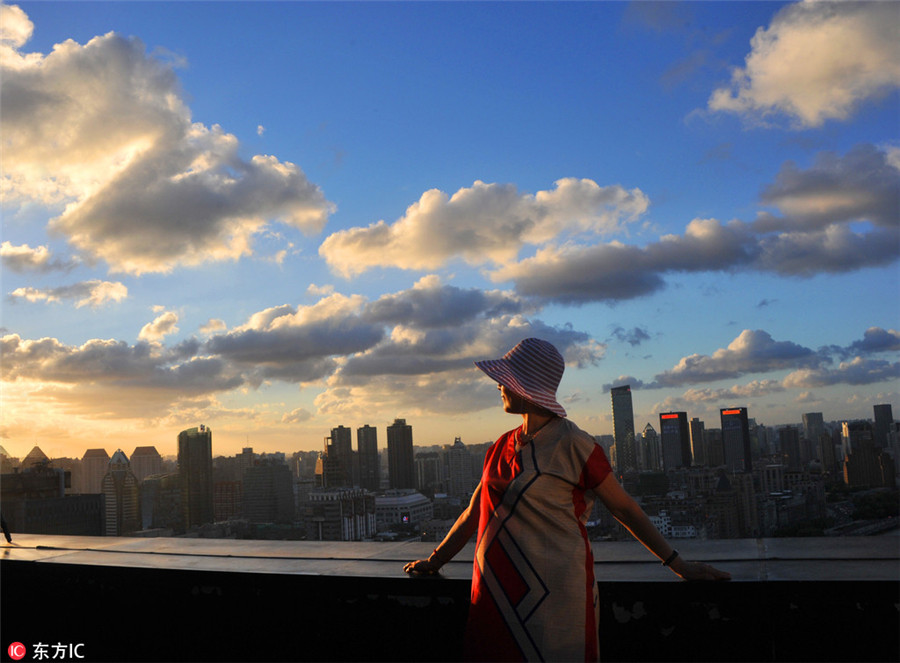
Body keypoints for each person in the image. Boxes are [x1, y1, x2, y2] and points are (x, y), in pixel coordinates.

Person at [404, 338, 730, 662]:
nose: (499, 386)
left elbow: (623, 508)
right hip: (493, 595)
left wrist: (678, 564)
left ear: (525, 386)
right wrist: (435, 561)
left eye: (507, 379)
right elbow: (474, 513)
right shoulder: (499, 447)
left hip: (558, 601)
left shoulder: (575, 444)